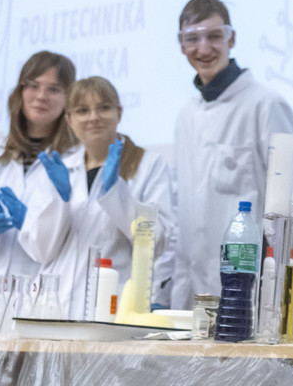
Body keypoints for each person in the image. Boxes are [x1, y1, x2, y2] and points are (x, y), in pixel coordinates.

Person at [169, 0, 293, 309]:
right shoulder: (186, 115)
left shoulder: (264, 104)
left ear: (232, 38)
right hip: (192, 294)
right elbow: (180, 213)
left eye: (214, 36)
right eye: (192, 38)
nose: (204, 49)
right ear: (181, 45)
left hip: (250, 292)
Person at [18, 76, 176, 313]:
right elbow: (41, 251)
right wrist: (59, 200)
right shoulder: (58, 168)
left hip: (113, 305)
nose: (93, 117)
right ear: (69, 120)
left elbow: (157, 241)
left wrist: (116, 193)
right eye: (83, 110)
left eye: (104, 108)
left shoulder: (149, 165)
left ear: (119, 113)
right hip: (54, 305)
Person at [0, 51, 77, 278]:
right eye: (33, 86)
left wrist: (30, 222)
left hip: (38, 286)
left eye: (53, 89)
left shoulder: (73, 159)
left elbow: (71, 239)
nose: (41, 96)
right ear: (20, 91)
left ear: (69, 98)